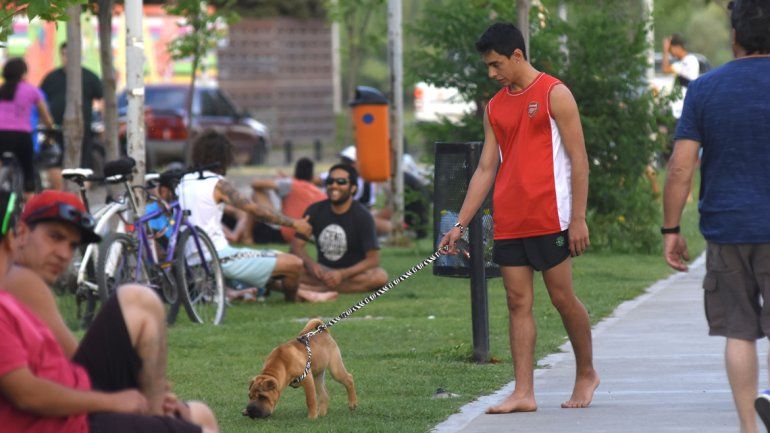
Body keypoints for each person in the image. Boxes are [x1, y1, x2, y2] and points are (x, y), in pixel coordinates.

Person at [438, 22, 598, 413]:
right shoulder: (495, 106)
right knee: (516, 301)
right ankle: (523, 392)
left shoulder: (554, 94)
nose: (492, 73)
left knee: (562, 298)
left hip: (551, 216)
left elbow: (580, 161)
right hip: (511, 218)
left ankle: (587, 372)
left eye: (495, 65)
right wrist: (459, 224)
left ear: (517, 56)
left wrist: (578, 218)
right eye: (488, 66)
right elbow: (485, 169)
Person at [0, 190, 219, 433]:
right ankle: (156, 413)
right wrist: (124, 398)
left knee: (201, 413)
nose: (64, 253)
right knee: (139, 300)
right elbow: (38, 386)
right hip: (69, 416)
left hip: (73, 403)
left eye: (72, 245)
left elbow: (66, 366)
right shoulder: (19, 281)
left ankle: (156, 410)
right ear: (18, 234)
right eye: (54, 237)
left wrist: (144, 390)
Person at [662, 1, 770, 432]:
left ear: (735, 37)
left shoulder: (705, 89)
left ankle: (748, 427)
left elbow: (681, 166)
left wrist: (671, 229)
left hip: (727, 228)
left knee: (740, 332)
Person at [177, 130, 336, 303]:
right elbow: (256, 211)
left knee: (270, 258)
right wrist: (294, 223)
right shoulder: (218, 184)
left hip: (193, 259)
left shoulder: (183, 181)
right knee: (294, 264)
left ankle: (308, 293)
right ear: (224, 157)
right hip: (218, 257)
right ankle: (294, 300)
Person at [291, 164, 388, 294]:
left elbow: (373, 259)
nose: (334, 186)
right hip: (322, 272)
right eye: (330, 181)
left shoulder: (363, 216)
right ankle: (322, 289)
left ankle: (316, 290)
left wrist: (342, 274)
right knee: (289, 267)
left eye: (341, 182)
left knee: (380, 277)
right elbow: (296, 247)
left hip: (352, 274)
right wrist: (311, 265)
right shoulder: (314, 210)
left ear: (353, 188)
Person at [40, 42, 104, 190]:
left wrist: (103, 123)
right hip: (56, 130)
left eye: (71, 55)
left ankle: (79, 199)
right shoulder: (51, 78)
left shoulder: (89, 76)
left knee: (82, 166)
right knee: (55, 163)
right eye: (64, 54)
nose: (67, 58)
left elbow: (102, 100)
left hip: (82, 130)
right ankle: (61, 196)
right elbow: (40, 102)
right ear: (60, 55)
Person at [0, 57, 55, 193]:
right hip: (21, 136)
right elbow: (46, 118)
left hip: (1, 134)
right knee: (28, 174)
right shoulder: (32, 91)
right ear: (23, 74)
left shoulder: (1, 90)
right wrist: (50, 129)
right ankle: (28, 207)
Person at [249, 157, 327, 243]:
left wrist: (278, 180)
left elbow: (255, 184)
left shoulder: (290, 184)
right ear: (312, 175)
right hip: (308, 235)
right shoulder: (320, 193)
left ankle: (246, 236)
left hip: (287, 233)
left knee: (256, 193)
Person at [662, 33, 700, 121]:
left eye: (670, 49)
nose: (670, 52)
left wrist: (665, 51)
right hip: (679, 109)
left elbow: (665, 69)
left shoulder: (690, 60)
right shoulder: (680, 63)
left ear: (677, 47)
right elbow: (666, 69)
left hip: (684, 109)